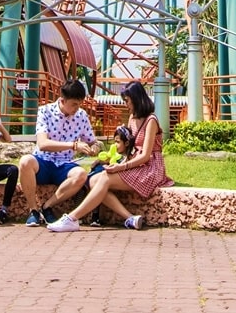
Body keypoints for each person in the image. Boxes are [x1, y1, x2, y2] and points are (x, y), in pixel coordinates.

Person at [48, 80, 169, 232]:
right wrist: (108, 160)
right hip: (133, 163)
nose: (126, 105)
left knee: (104, 178)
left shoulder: (151, 120)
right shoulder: (132, 118)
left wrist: (122, 166)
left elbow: (145, 155)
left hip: (150, 168)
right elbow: (127, 147)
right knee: (93, 180)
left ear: (137, 99)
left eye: (127, 101)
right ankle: (130, 218)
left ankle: (72, 218)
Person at [17, 78, 98, 226]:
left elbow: (93, 140)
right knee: (25, 161)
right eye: (74, 104)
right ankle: (33, 210)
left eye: (79, 104)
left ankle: (47, 206)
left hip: (65, 163)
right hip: (43, 161)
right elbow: (43, 144)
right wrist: (73, 145)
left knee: (81, 174)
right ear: (62, 100)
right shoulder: (45, 111)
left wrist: (95, 147)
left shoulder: (81, 116)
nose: (76, 108)